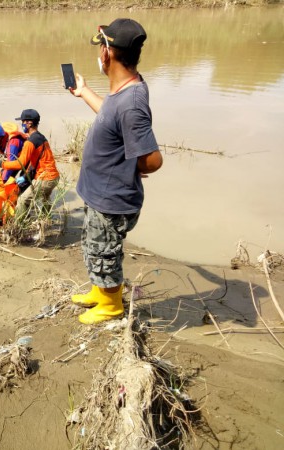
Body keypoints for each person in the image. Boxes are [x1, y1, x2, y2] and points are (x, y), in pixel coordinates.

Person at [68, 19, 163, 324]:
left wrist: (129, 166)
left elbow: (152, 160)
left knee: (105, 252)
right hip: (100, 194)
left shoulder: (132, 103)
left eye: (101, 47)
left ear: (107, 53)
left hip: (112, 199)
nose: (99, 55)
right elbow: (111, 118)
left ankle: (111, 305)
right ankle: (100, 292)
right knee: (94, 246)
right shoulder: (122, 91)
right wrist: (84, 92)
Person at [0, 109, 60, 217]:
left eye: (23, 122)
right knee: (45, 199)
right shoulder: (40, 137)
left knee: (23, 200)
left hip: (45, 178)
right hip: (54, 177)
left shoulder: (30, 142)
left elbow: (20, 164)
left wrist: (1, 164)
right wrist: (26, 176)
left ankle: (17, 226)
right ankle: (46, 221)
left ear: (29, 123)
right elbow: (36, 161)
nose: (22, 124)